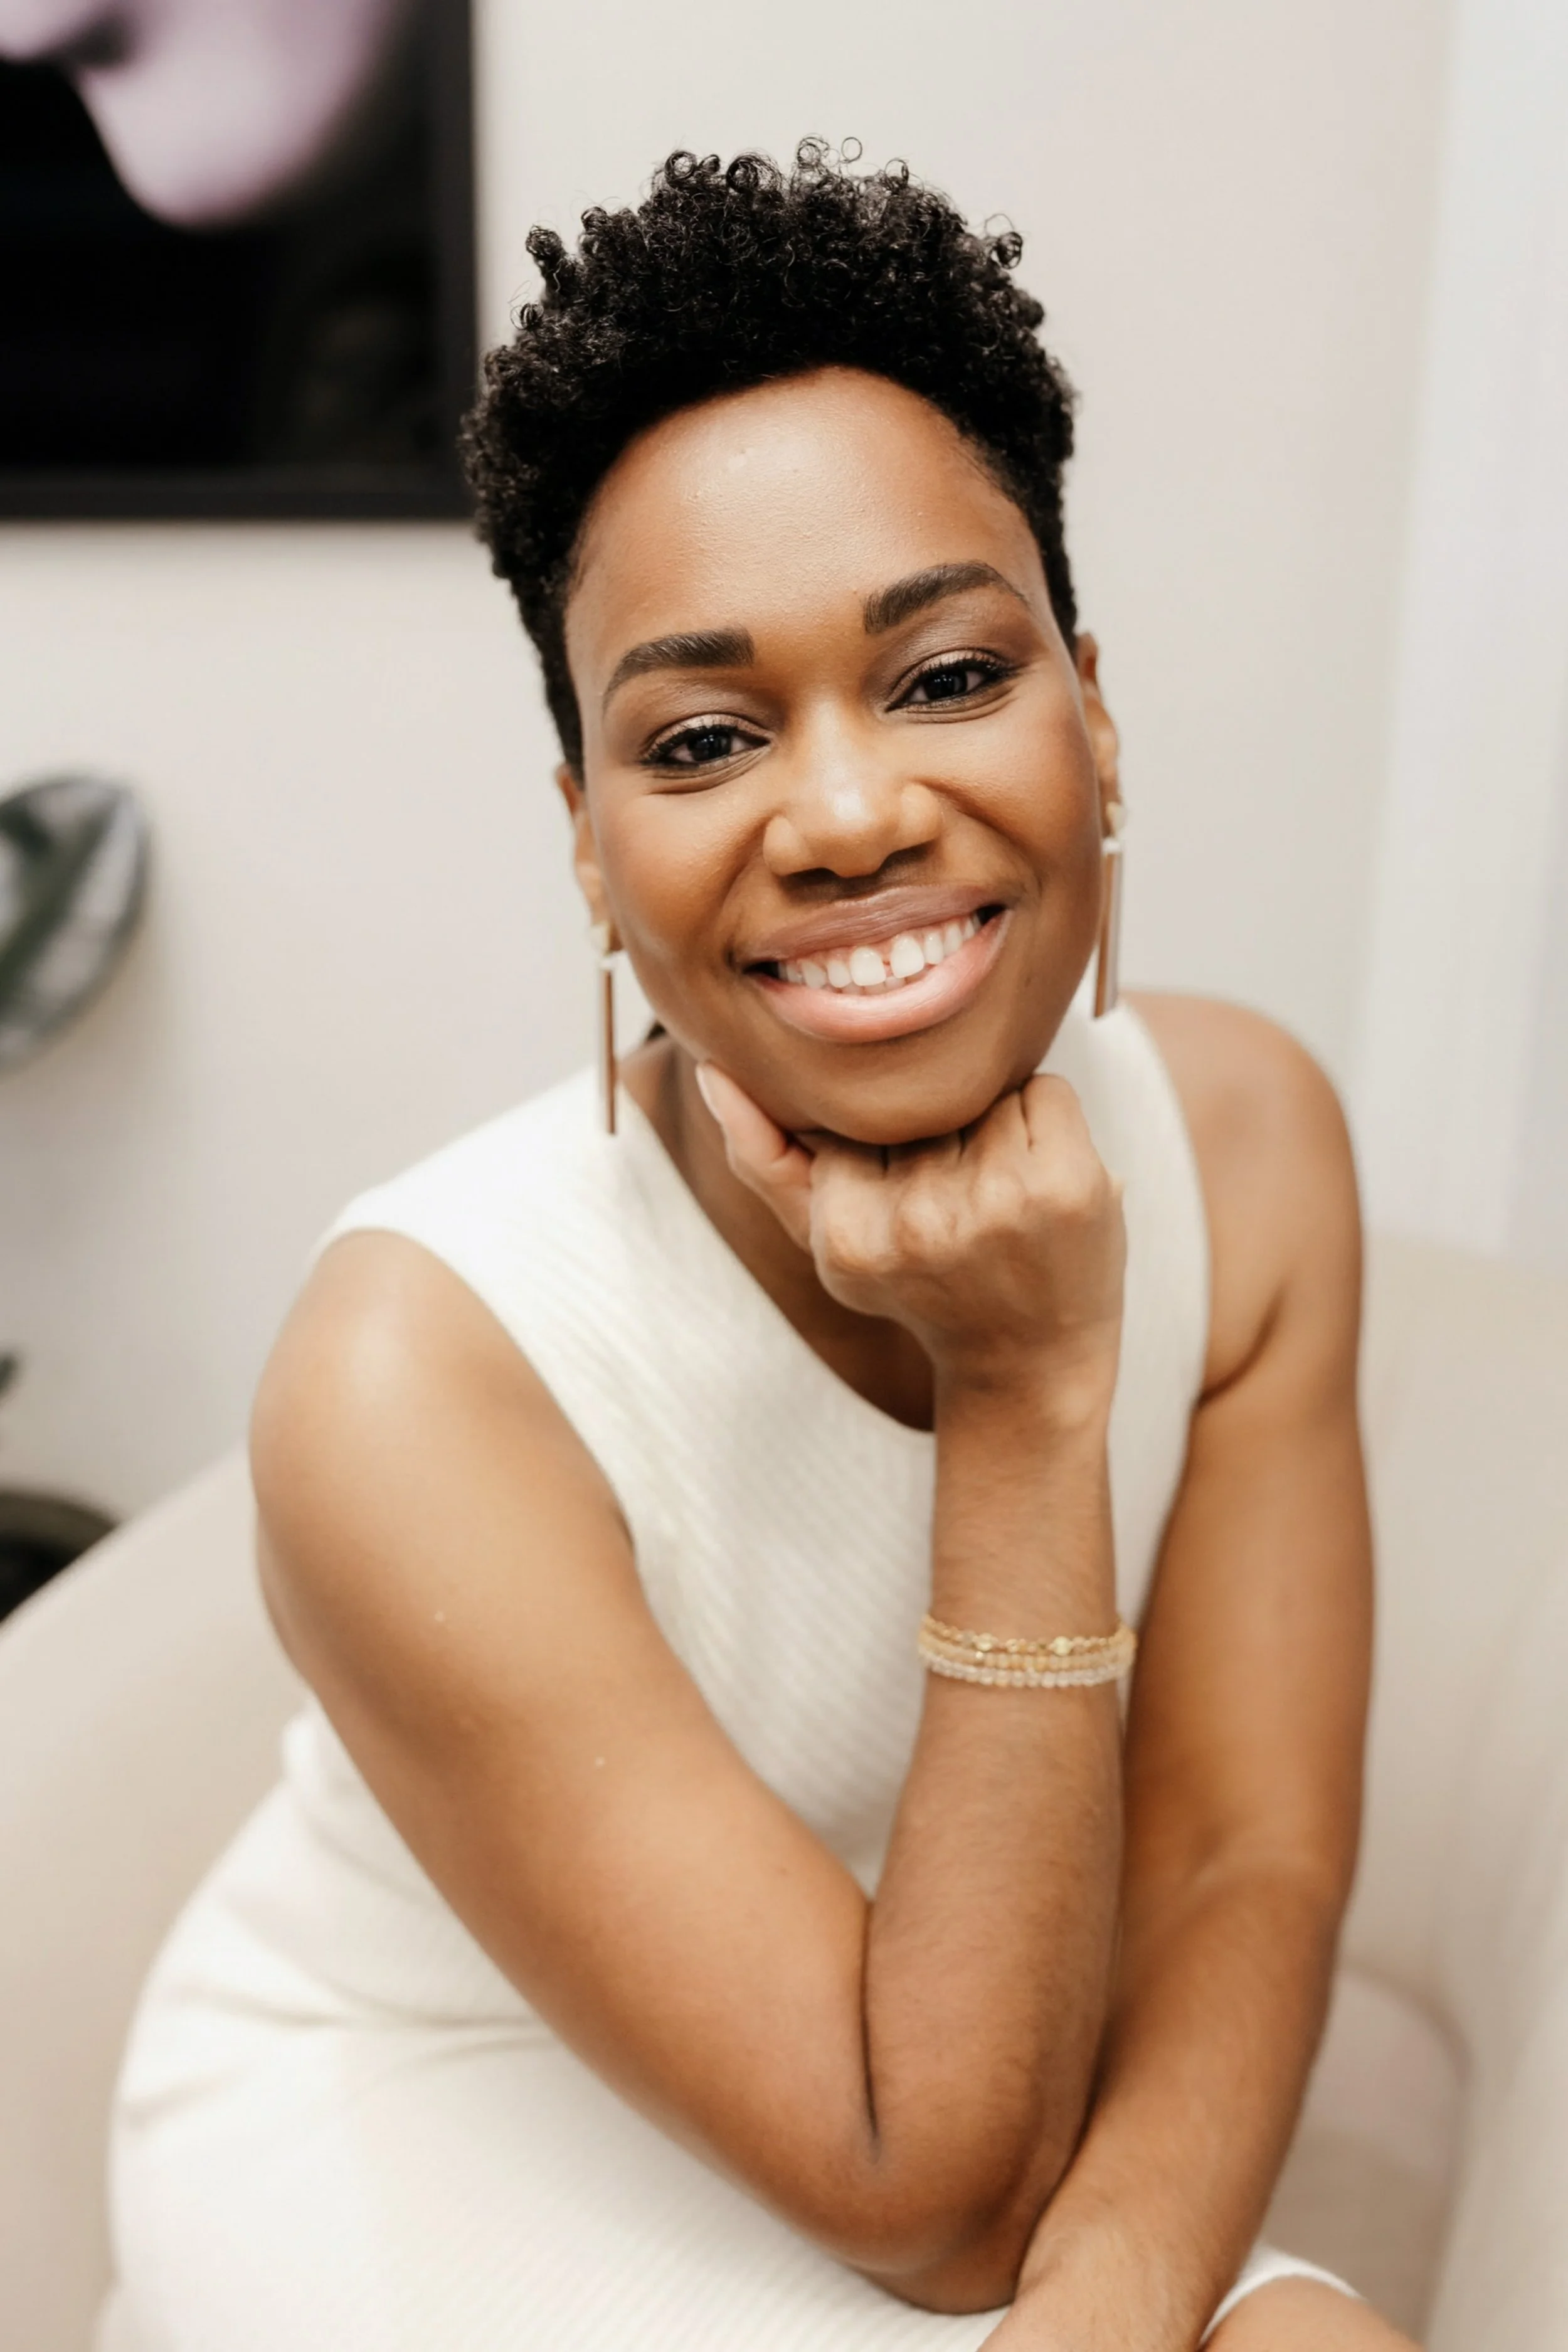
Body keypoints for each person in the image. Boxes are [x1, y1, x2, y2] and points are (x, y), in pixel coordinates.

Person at [104, 146, 1421, 2351]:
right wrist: (1022, 1392)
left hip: (962, 2007)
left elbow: (1237, 1863)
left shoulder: (1254, 1150)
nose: (843, 815)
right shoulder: (415, 1366)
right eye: (705, 737)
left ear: (1091, 722)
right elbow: (928, 2191)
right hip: (439, 2105)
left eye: (943, 677)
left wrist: (1118, 2294)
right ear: (593, 849)